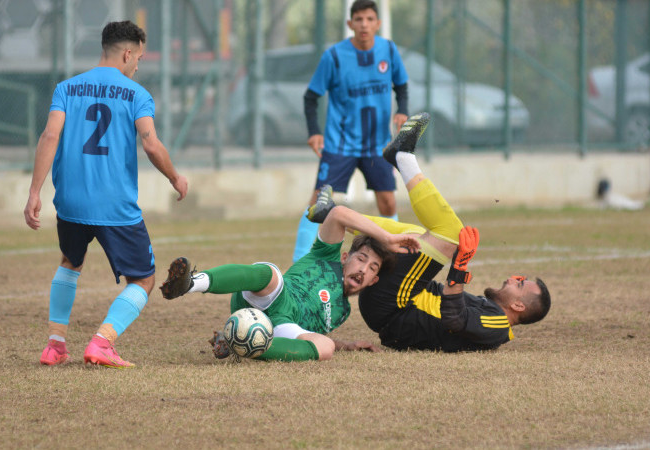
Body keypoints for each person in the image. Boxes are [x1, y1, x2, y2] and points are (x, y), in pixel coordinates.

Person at [24, 20, 189, 368]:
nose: (138, 65)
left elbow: (49, 137)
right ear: (128, 53)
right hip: (115, 206)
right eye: (139, 58)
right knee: (143, 278)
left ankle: (55, 346)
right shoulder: (137, 94)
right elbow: (151, 143)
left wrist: (34, 191)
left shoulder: (66, 88)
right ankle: (102, 342)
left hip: (70, 201)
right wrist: (175, 177)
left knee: (71, 262)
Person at [314, 112, 552, 352]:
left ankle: (402, 157)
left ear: (519, 307)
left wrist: (459, 267)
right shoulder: (489, 312)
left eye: (520, 284)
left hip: (395, 306)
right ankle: (331, 213)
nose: (514, 278)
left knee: (451, 234)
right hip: (395, 300)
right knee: (419, 237)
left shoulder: (499, 327)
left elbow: (454, 320)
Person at [158, 187, 421, 362]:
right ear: (345, 257)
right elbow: (339, 213)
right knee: (271, 273)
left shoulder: (343, 312)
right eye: (361, 259)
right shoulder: (326, 257)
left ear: (374, 280)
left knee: (325, 348)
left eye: (372, 268)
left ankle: (242, 344)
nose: (363, 269)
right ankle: (190, 283)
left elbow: (306, 335)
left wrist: (348, 345)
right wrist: (387, 238)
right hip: (272, 298)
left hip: (282, 327)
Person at [292, 0, 410, 262]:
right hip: (339, 145)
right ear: (350, 24)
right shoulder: (334, 56)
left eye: (369, 19)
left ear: (378, 23)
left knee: (388, 204)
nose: (364, 24)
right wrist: (314, 132)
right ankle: (298, 263)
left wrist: (402, 109)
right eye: (359, 19)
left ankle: (395, 258)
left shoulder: (388, 51)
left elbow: (401, 86)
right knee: (317, 204)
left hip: (377, 145)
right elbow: (310, 97)